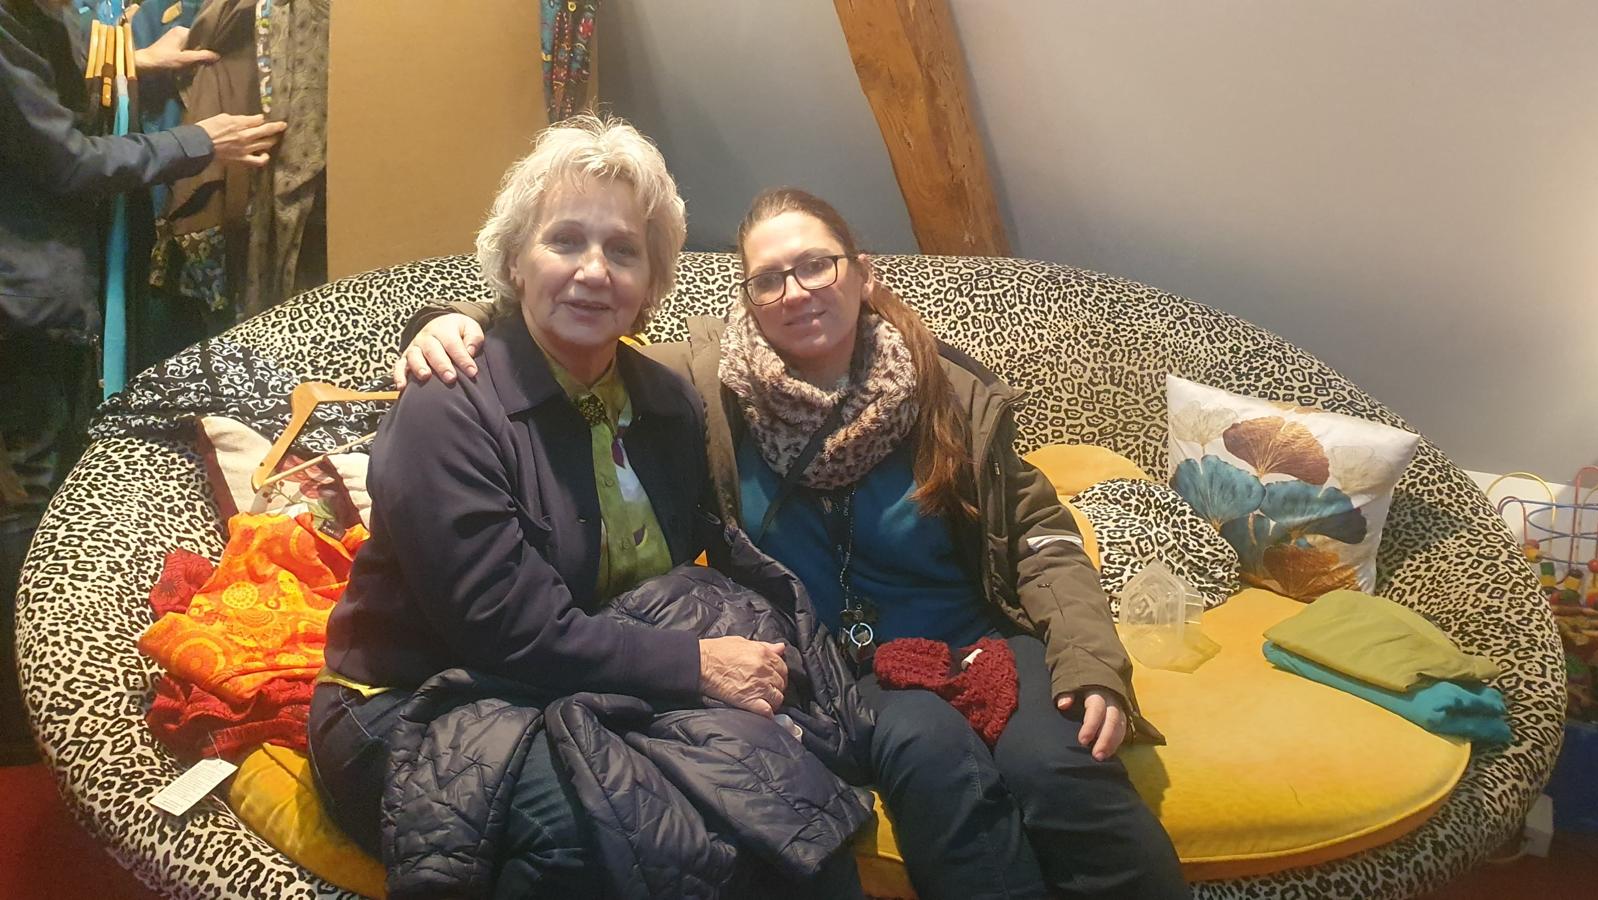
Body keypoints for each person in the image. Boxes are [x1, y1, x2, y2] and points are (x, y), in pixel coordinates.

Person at [400, 188, 1191, 899]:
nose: (797, 291)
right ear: (747, 300)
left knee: (1060, 768)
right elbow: (578, 329)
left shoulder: (947, 392)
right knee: (933, 763)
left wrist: (1091, 662)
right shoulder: (708, 389)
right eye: (769, 278)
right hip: (845, 671)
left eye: (816, 265)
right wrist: (452, 320)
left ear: (862, 273)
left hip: (980, 640)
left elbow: (1042, 540)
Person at [313, 119, 866, 897]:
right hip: (420, 700)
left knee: (786, 806)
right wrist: (699, 665)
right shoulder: (448, 404)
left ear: (651, 283)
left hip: (584, 685)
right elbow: (505, 631)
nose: (594, 271)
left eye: (623, 251)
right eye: (565, 241)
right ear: (516, 261)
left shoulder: (668, 401)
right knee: (610, 838)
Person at [0, 0, 286, 764]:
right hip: (20, 299)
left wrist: (133, 59)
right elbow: (63, 157)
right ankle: (27, 711)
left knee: (38, 481)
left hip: (36, 291)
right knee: (26, 495)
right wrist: (198, 142)